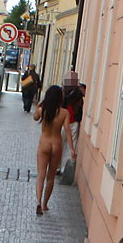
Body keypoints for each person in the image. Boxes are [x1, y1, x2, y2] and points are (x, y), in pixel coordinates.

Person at [32, 85, 72, 216]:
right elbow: (67, 130)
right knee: (51, 177)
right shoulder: (64, 113)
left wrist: (40, 104)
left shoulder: (42, 110)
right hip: (56, 144)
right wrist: (72, 149)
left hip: (44, 143)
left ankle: (38, 201)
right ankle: (45, 204)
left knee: (41, 174)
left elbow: (35, 117)